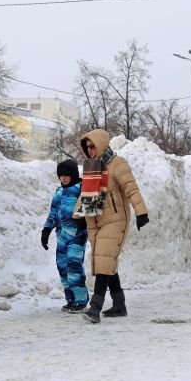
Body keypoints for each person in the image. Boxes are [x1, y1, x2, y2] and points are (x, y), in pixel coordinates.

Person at [73, 129, 148, 323]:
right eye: (86, 147)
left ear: (101, 144)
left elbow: (132, 188)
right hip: (94, 222)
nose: (89, 150)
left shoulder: (118, 164)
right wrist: (77, 214)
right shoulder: (90, 167)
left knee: (104, 260)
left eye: (92, 146)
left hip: (115, 220)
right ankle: (119, 304)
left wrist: (141, 212)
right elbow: (85, 194)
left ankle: (95, 308)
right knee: (105, 261)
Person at [41, 159, 89, 313]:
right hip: (62, 235)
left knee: (73, 265)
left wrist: (85, 220)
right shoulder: (59, 192)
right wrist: (46, 230)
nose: (63, 178)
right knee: (62, 266)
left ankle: (81, 300)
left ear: (73, 174)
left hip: (76, 235)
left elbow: (92, 205)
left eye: (66, 175)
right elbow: (53, 213)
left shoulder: (81, 188)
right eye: (61, 175)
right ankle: (71, 300)